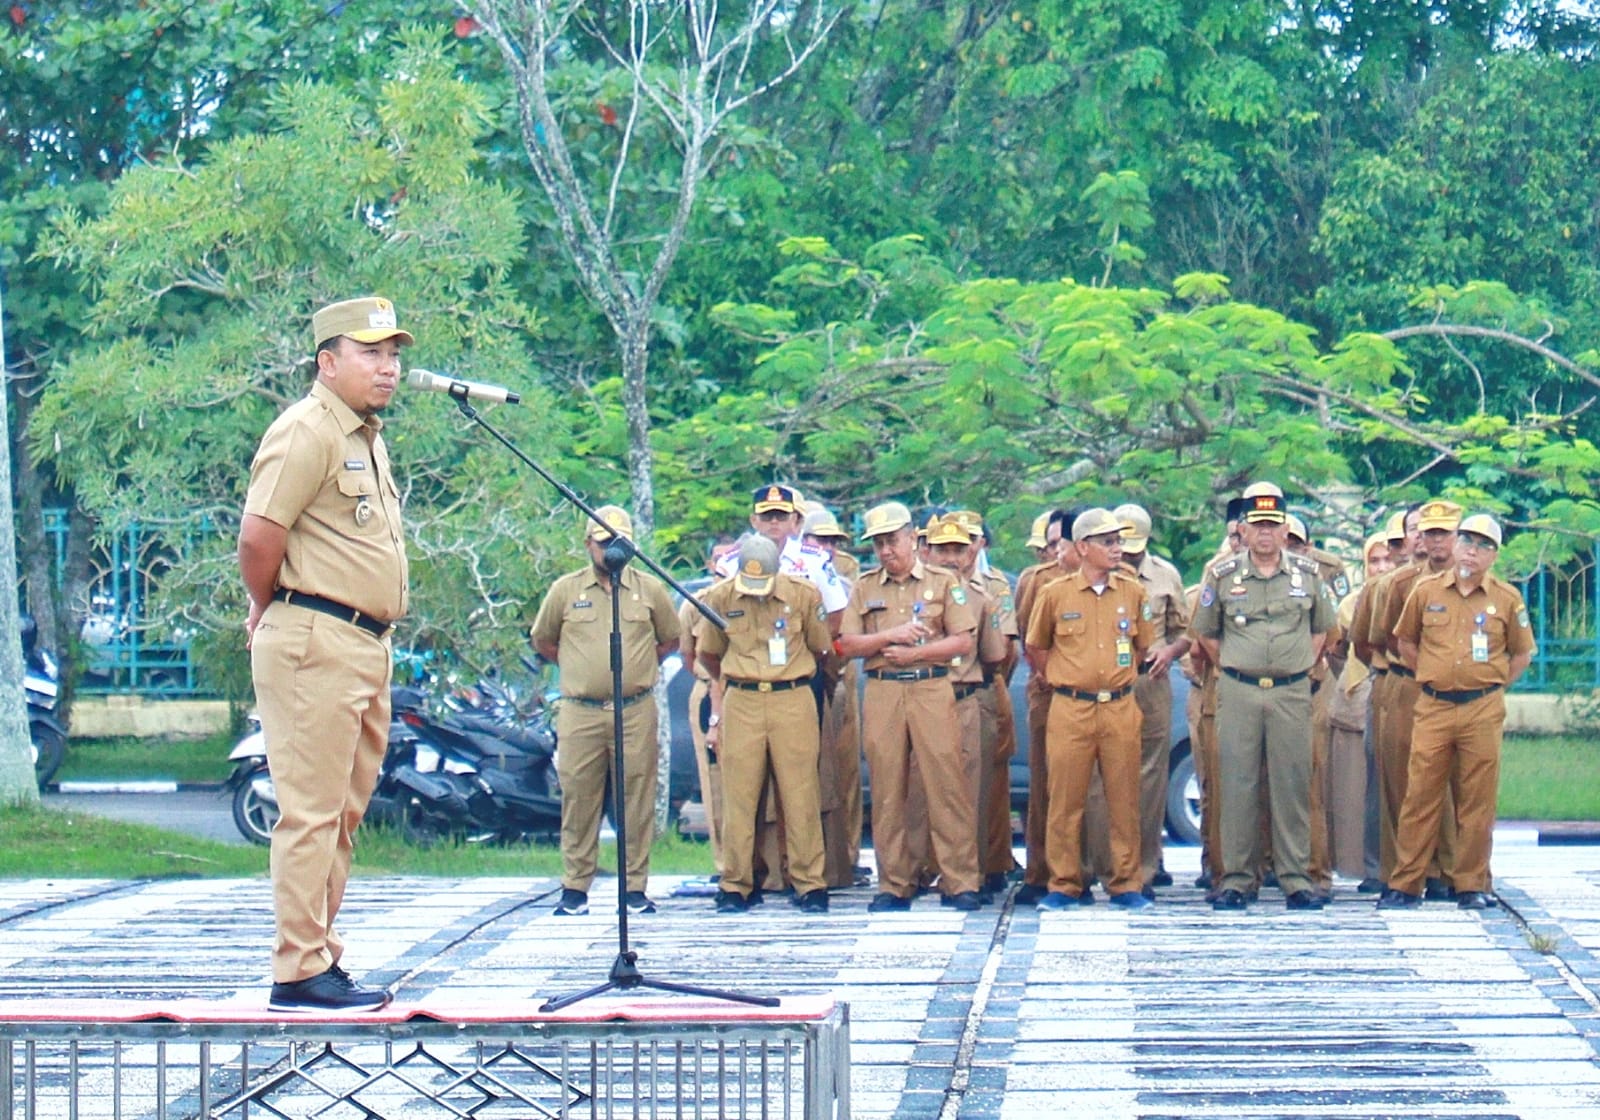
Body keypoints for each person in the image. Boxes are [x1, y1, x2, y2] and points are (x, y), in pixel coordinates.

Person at [239, 296, 413, 1012]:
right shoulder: (306, 430)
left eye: (394, 354)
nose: (389, 368)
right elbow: (258, 538)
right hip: (314, 636)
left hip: (363, 643)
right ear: (328, 361)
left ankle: (317, 956)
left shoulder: (364, 436)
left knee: (341, 812)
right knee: (310, 813)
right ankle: (297, 968)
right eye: (371, 353)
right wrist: (265, 604)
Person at [1192, 484, 1337, 912]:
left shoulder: (1307, 576)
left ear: (1285, 528)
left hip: (1292, 691)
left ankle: (1296, 878)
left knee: (1292, 783)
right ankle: (1237, 879)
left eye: (1274, 526)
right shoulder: (1222, 576)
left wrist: (1296, 664)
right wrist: (1238, 664)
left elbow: (1322, 630)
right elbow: (1206, 633)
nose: (1266, 534)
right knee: (1237, 783)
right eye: (1258, 526)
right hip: (1238, 689)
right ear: (1243, 529)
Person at [1379, 515, 1535, 910]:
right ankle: (1406, 883)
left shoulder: (1506, 599)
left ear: (1494, 555)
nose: (1471, 549)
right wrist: (1431, 675)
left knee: (1476, 800)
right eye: (1466, 539)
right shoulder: (1427, 590)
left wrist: (1492, 684)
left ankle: (1470, 883)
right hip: (1433, 704)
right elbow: (1405, 641)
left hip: (1481, 707)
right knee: (1420, 796)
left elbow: (1521, 654)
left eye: (1483, 544)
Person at [531, 505, 680, 918]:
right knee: (579, 797)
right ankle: (576, 887)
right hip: (581, 711)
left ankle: (634, 888)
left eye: (619, 543)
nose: (611, 551)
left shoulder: (649, 589)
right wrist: (582, 669)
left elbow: (670, 639)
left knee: (636, 797)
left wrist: (637, 667)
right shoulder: (566, 590)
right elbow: (544, 641)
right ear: (588, 545)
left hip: (634, 708)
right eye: (603, 543)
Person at [838, 501, 981, 911]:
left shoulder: (942, 582)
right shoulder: (865, 587)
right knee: (887, 788)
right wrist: (890, 637)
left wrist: (917, 654)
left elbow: (963, 641)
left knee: (946, 784)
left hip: (930, 687)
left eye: (893, 541)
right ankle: (895, 883)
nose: (886, 551)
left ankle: (959, 880)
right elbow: (847, 644)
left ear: (913, 538)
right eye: (879, 544)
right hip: (883, 690)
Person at [1024, 508, 1154, 911]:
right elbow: (1036, 647)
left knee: (1123, 796)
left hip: (1118, 706)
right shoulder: (1055, 593)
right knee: (1064, 798)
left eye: (1119, 541)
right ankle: (1064, 883)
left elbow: (1142, 646)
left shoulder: (1132, 591)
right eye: (1108, 542)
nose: (1117, 549)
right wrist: (1064, 678)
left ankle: (1125, 882)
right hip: (1071, 707)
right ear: (1082, 547)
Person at [697, 535, 834, 914]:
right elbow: (709, 653)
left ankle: (809, 883)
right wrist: (734, 681)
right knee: (739, 795)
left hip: (792, 696)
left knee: (800, 793)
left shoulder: (804, 594)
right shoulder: (721, 597)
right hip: (741, 699)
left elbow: (822, 647)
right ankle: (736, 883)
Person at [1112, 502, 1191, 895]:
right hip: (1108, 684)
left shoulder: (1165, 575)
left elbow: (1186, 630)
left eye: (1133, 547)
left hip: (1149, 680)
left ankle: (1146, 865)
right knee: (1108, 774)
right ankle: (1108, 863)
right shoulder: (1096, 574)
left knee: (1150, 775)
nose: (1125, 555)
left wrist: (1171, 652)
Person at [679, 535, 740, 876]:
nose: (722, 566)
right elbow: (688, 654)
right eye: (718, 559)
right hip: (708, 691)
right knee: (714, 781)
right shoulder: (696, 603)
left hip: (746, 690)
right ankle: (724, 862)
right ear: (709, 564)